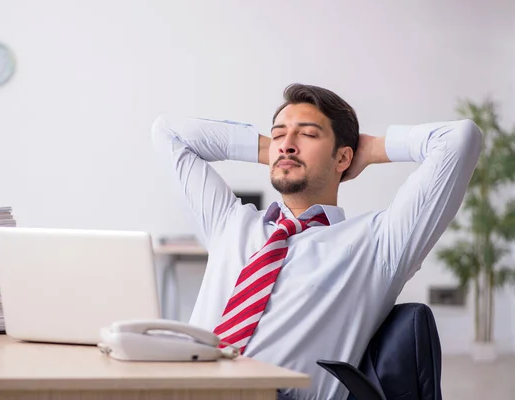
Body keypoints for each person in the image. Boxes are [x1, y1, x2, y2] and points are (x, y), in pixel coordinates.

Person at [151, 83, 482, 400]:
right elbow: (168, 132)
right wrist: (279, 150)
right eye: (279, 133)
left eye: (308, 134)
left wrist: (371, 150)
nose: (287, 142)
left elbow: (458, 139)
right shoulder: (230, 222)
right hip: (182, 385)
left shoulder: (378, 244)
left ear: (342, 159)